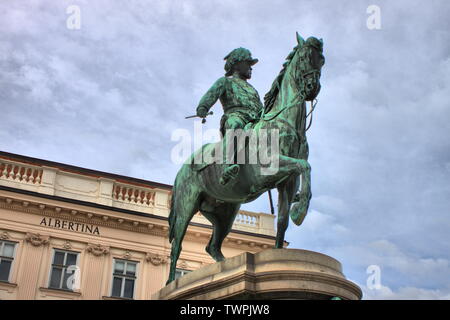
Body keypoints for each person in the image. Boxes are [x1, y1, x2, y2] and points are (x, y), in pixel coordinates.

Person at [196, 47, 264, 185]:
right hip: (235, 116)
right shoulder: (225, 82)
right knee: (236, 124)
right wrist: (203, 107)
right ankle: (227, 166)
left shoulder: (252, 89)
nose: (251, 68)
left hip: (255, 120)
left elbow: (260, 107)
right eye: (248, 64)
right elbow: (210, 96)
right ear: (237, 64)